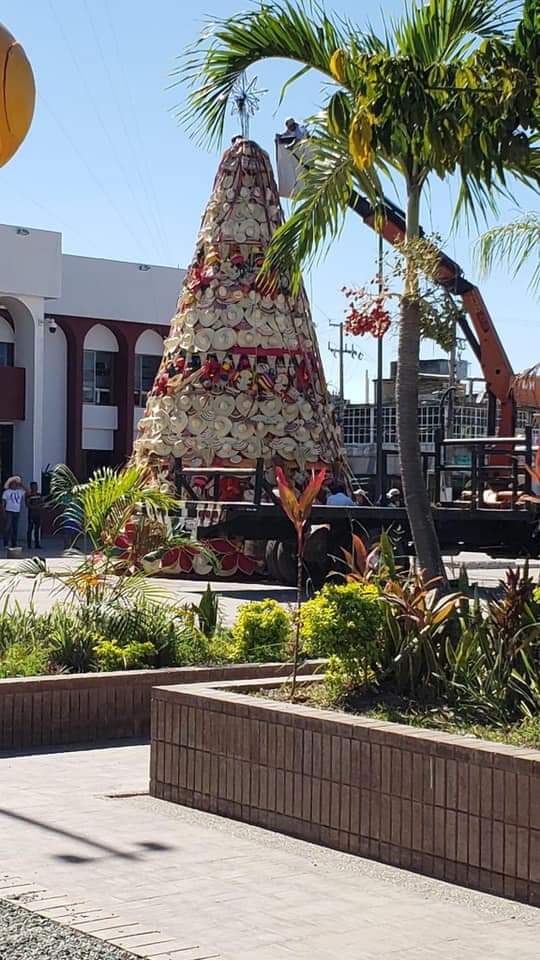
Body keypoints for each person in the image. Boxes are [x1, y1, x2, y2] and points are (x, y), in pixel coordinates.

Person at [2, 476, 26, 548]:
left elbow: (28, 491)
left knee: (15, 528)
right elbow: (3, 502)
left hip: (17, 511)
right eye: (13, 483)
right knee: (8, 527)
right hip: (9, 511)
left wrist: (21, 485)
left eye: (16, 483)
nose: (15, 485)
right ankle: (6, 543)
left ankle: (14, 543)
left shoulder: (20, 491)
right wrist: (3, 511)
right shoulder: (7, 492)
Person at [26, 481, 43, 549]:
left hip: (38, 515)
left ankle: (37, 544)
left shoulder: (39, 495)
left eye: (36, 486)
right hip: (31, 514)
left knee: (37, 530)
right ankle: (29, 544)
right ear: (31, 487)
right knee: (30, 529)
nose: (35, 488)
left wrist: (40, 506)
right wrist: (36, 507)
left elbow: (42, 503)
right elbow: (28, 505)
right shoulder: (29, 495)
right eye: (34, 486)